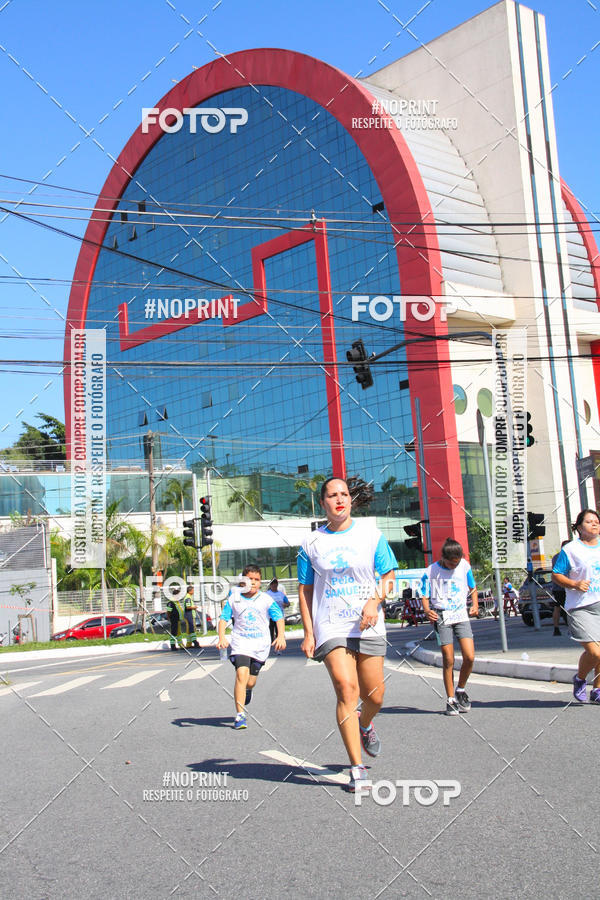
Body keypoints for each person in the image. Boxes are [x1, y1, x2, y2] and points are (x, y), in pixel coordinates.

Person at [297, 477, 397, 793]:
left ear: (350, 500)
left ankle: (365, 723)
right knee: (345, 688)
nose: (339, 499)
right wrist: (309, 632)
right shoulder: (310, 544)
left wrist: (374, 601)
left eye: (343, 494)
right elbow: (305, 589)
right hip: (331, 625)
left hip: (367, 622)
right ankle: (357, 768)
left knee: (375, 696)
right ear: (323, 503)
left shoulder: (371, 535)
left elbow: (390, 576)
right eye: (332, 495)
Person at [217, 563, 286, 729]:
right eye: (250, 579)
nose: (253, 582)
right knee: (241, 675)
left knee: (250, 681)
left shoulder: (266, 599)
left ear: (260, 582)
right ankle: (240, 715)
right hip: (241, 643)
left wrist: (281, 636)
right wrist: (221, 637)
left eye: (256, 579)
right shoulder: (234, 599)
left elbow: (278, 618)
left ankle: (248, 690)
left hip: (260, 645)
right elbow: (224, 618)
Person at [420, 538, 479, 715]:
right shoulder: (431, 571)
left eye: (457, 562)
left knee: (469, 656)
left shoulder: (465, 566)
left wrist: (474, 604)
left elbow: (473, 587)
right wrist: (427, 610)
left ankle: (460, 689)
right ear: (443, 558)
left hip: (461, 615)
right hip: (442, 616)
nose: (454, 566)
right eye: (451, 563)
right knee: (449, 658)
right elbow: (424, 594)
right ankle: (451, 699)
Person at [552, 509, 600, 703]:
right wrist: (574, 584)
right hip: (581, 607)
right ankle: (580, 678)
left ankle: (597, 690)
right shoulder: (571, 550)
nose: (595, 524)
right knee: (595, 651)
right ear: (580, 527)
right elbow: (556, 574)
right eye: (589, 522)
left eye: (596, 521)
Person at [551, 541, 570, 636]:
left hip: (557, 586)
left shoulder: (555, 557)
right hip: (566, 586)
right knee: (571, 607)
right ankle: (571, 628)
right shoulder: (568, 556)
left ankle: (556, 628)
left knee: (557, 607)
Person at [265, 578, 290, 646]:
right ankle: (270, 643)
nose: (274, 586)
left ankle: (279, 642)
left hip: (279, 615)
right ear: (270, 585)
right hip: (270, 616)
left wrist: (285, 604)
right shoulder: (267, 594)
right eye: (273, 585)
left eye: (275, 585)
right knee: (270, 630)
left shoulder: (281, 594)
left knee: (278, 630)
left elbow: (288, 603)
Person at [165, 583, 185, 651]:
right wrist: (169, 619)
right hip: (174, 619)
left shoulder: (177, 602)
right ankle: (173, 646)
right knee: (174, 632)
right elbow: (168, 612)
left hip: (178, 620)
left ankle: (181, 644)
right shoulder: (171, 602)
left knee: (179, 633)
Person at [183, 584, 200, 648]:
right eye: (193, 590)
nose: (193, 592)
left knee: (189, 630)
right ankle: (195, 642)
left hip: (190, 615)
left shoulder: (189, 597)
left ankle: (189, 644)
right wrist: (194, 607)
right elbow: (188, 607)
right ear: (190, 591)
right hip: (189, 615)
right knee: (192, 629)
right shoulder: (188, 598)